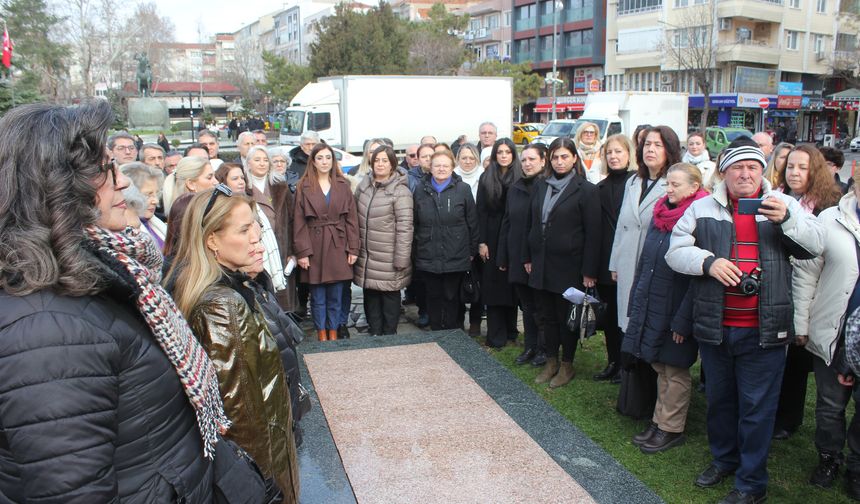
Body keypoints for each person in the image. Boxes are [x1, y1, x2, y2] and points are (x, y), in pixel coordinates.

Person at [0, 101, 230, 502]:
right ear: (55, 185)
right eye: (105, 170)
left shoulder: (105, 269)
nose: (122, 182)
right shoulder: (46, 328)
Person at [665, 138, 824, 504]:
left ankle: (752, 484)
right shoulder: (703, 207)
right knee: (721, 402)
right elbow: (675, 252)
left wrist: (787, 220)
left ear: (763, 171)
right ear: (724, 171)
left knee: (757, 408)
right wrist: (708, 262)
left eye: (753, 166)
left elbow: (815, 244)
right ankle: (724, 460)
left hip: (765, 330)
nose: (746, 173)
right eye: (738, 167)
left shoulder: (782, 205)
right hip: (716, 326)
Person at [168, 189, 299, 502]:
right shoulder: (222, 305)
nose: (256, 237)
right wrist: (265, 484)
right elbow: (240, 414)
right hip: (263, 469)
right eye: (243, 229)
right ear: (212, 239)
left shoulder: (206, 286)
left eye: (254, 225)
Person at [623, 163, 707, 454]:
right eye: (668, 184)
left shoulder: (699, 218)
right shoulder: (661, 216)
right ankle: (660, 421)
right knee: (661, 366)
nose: (669, 190)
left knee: (676, 370)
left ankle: (671, 428)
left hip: (677, 310)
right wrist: (637, 301)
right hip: (655, 303)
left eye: (676, 185)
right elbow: (646, 265)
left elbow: (696, 278)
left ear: (694, 187)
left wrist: (683, 321)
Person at [793, 171, 860, 496]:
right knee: (831, 404)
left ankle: (857, 467)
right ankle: (829, 457)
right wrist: (802, 324)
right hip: (834, 328)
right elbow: (807, 273)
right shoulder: (831, 219)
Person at [770, 144, 841, 440]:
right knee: (779, 359)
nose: (795, 172)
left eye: (802, 167)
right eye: (790, 167)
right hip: (781, 289)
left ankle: (788, 418)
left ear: (815, 170)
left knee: (797, 364)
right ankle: (775, 411)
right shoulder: (779, 199)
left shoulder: (826, 208)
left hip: (812, 295)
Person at [611, 126, 679, 419]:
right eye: (647, 144)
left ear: (669, 150)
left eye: (658, 145)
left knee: (647, 327)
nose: (650, 149)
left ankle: (650, 399)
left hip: (655, 267)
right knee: (628, 324)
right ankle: (631, 393)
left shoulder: (674, 183)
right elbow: (622, 226)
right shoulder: (633, 181)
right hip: (628, 262)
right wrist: (614, 262)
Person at [524, 137, 601, 389]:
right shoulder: (540, 186)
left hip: (570, 266)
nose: (559, 162)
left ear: (574, 159)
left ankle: (567, 365)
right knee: (546, 316)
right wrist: (528, 256)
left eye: (564, 157)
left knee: (565, 316)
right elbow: (532, 223)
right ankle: (551, 361)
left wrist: (590, 271)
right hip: (542, 263)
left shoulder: (586, 190)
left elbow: (593, 233)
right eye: (555, 157)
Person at [293, 143, 359, 341]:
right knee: (318, 295)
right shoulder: (303, 187)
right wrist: (302, 252)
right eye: (320, 158)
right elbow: (298, 221)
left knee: (337, 294)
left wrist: (353, 248)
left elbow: (352, 220)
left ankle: (334, 332)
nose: (324, 162)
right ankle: (321, 333)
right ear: (313, 161)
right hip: (314, 246)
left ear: (333, 160)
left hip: (338, 244)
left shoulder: (343, 185)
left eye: (328, 157)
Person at [413, 150, 478, 330]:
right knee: (433, 296)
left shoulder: (463, 189)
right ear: (430, 168)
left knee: (452, 297)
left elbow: (472, 222)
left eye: (445, 165)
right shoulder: (420, 189)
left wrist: (471, 252)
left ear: (452, 167)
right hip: (428, 254)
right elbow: (415, 222)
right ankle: (436, 333)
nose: (441, 169)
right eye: (437, 165)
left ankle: (452, 334)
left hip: (455, 254)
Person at [353, 145, 414, 336]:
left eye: (384, 160)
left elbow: (405, 227)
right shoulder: (364, 186)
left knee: (389, 296)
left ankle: (389, 336)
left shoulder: (400, 191)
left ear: (392, 164)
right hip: (367, 255)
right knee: (370, 295)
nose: (380, 164)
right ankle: (374, 333)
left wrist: (401, 258)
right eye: (377, 160)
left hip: (389, 257)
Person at [498, 143, 549, 366]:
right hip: (517, 254)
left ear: (543, 160)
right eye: (524, 160)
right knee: (527, 306)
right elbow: (507, 222)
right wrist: (503, 256)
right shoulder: (515, 188)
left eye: (532, 159)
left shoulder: (548, 187)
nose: (527, 164)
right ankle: (530, 346)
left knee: (541, 307)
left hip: (540, 257)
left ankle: (544, 348)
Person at [594, 134, 637, 383]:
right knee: (610, 317)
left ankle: (627, 365)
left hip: (628, 259)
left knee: (626, 316)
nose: (613, 156)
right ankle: (613, 361)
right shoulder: (600, 188)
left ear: (629, 154)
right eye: (609, 152)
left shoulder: (636, 184)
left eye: (618, 151)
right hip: (605, 262)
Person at [477, 138, 522, 349]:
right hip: (492, 237)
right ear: (495, 155)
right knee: (494, 288)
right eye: (500, 152)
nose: (504, 155)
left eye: (508, 151)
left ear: (513, 154)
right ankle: (496, 336)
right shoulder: (487, 177)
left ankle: (512, 332)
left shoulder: (521, 177)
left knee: (511, 286)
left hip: (513, 236)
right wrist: (482, 241)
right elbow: (481, 212)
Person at [245, 146, 297, 311]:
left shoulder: (280, 186)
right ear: (248, 163)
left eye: (265, 160)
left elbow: (291, 219)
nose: (262, 164)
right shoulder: (245, 188)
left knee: (283, 297)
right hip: (257, 247)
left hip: (281, 247)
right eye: (257, 160)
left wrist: (292, 251)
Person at [121, 161, 166, 250]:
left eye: (156, 193)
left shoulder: (156, 224)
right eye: (148, 195)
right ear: (128, 194)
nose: (156, 201)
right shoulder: (125, 234)